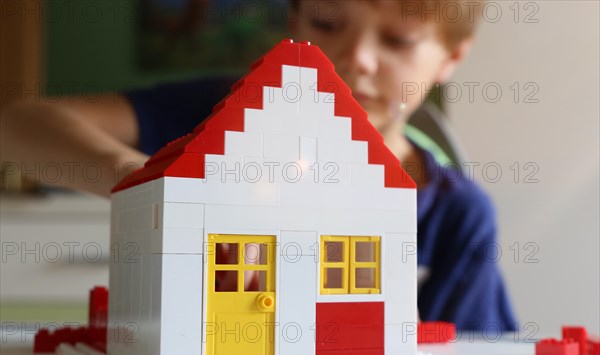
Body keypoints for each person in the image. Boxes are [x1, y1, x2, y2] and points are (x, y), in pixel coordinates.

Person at [0, 0, 516, 331]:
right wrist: (145, 180)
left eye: (399, 39)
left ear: (452, 58)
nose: (357, 57)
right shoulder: (222, 116)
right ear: (294, 25)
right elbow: (18, 125)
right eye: (329, 23)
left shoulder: (456, 212)